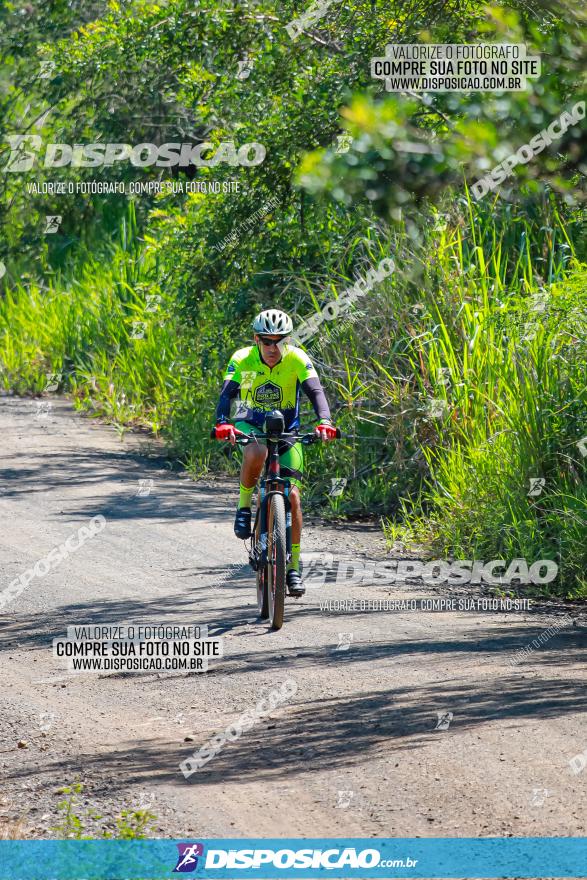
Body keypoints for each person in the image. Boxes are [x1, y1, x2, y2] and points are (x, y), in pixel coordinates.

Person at [214, 308, 337, 595]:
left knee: (293, 497)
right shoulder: (243, 359)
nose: (272, 348)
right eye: (266, 341)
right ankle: (244, 507)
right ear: (256, 339)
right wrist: (222, 423)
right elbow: (227, 394)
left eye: (279, 341)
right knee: (256, 453)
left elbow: (315, 392)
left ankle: (293, 568)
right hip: (250, 422)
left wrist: (325, 422)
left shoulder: (297, 358)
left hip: (286, 429)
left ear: (288, 340)